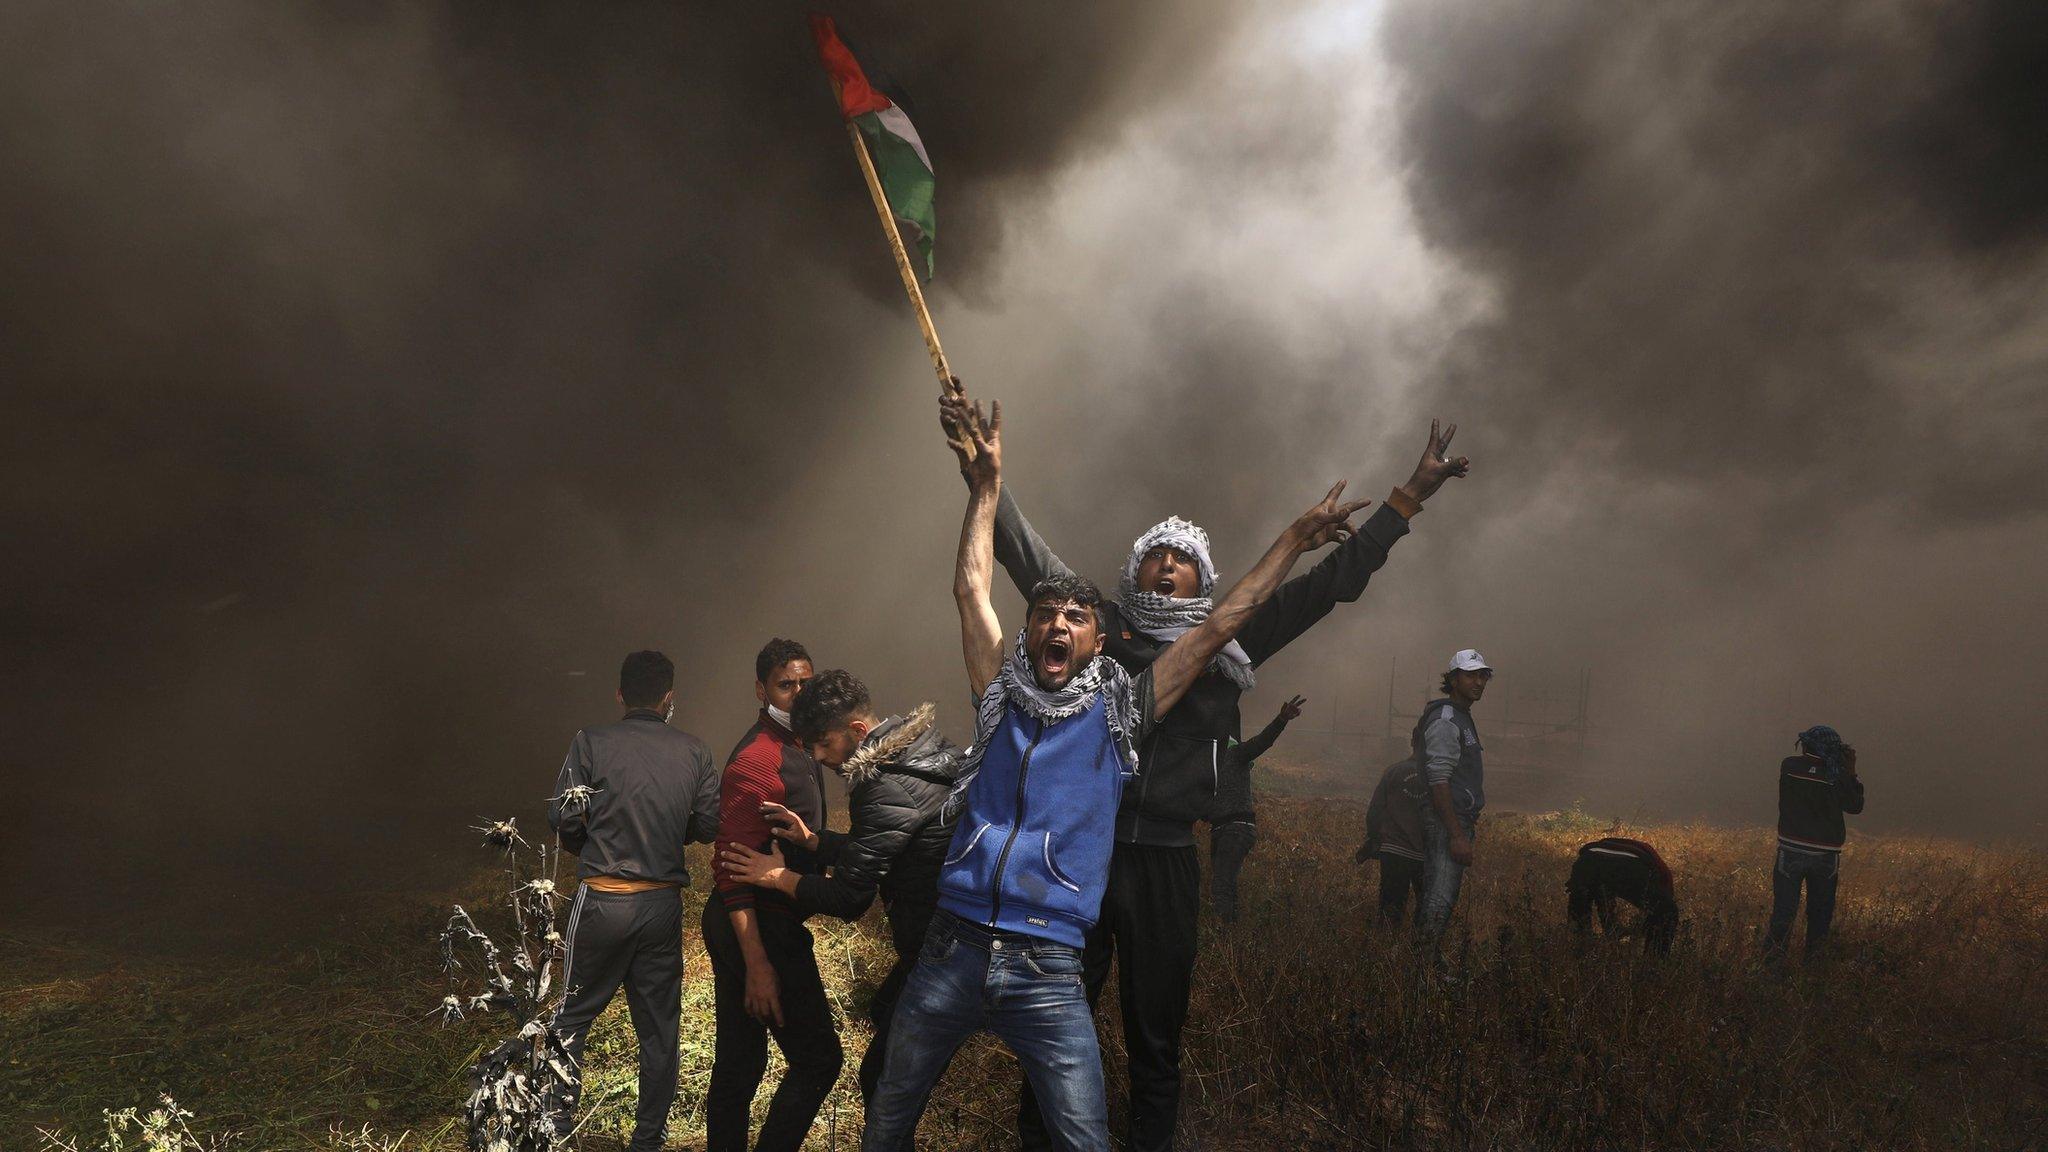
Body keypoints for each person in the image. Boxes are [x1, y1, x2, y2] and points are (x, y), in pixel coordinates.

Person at [947, 375, 1472, 1152]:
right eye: (1154, 556)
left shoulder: (1235, 642)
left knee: (1157, 1038)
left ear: (1205, 581)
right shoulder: (1103, 628)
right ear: (1133, 573)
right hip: (1081, 855)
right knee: (1054, 1032)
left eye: (1182, 560)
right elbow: (1029, 561)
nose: (1166, 566)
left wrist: (1406, 500)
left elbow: (1332, 585)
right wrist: (982, 476)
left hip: (1164, 864)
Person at [861, 388, 1370, 1152]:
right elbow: (979, 581)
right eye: (1046, 615)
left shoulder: (1125, 708)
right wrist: (986, 485)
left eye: (1075, 619)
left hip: (1063, 944)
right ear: (1035, 628)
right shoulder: (1004, 693)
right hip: (957, 943)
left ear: (1099, 642)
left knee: (1113, 1096)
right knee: (889, 1121)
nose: (1058, 624)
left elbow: (1227, 623)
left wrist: (1306, 534)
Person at [718, 668, 959, 1103]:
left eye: (824, 743)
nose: (819, 756)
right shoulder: (920, 752)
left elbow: (850, 898)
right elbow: (892, 845)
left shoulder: (880, 784)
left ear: (857, 729)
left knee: (882, 1084)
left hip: (942, 951)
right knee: (884, 1014)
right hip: (949, 937)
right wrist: (813, 840)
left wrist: (777, 877)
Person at [546, 650, 722, 1152]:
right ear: (669, 698)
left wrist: (588, 840)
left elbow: (563, 817)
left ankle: (557, 1132)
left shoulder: (591, 742)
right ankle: (648, 1141)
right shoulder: (694, 750)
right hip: (661, 905)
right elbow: (709, 825)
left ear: (620, 694)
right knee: (659, 1031)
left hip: (601, 900)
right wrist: (669, 828)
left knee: (571, 1019)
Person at [703, 639, 841, 1152]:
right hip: (754, 921)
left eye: (806, 682)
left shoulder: (801, 744)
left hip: (768, 917)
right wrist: (757, 962)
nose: (799, 693)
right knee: (819, 1060)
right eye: (787, 685)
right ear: (762, 690)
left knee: (741, 1065)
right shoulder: (758, 759)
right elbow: (728, 869)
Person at [1764, 726, 1865, 962]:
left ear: (1807, 745)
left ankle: (1772, 967)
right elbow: (1855, 805)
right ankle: (1813, 966)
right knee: (1820, 917)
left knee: (1783, 914)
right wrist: (1851, 771)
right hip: (1825, 856)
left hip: (1790, 851)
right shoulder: (1838, 776)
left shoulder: (1789, 766)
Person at [1416, 649, 1492, 952]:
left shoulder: (1461, 717)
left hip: (1457, 819)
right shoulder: (1447, 720)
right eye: (1471, 675)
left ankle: (1425, 963)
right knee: (1440, 895)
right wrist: (1457, 834)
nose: (1479, 682)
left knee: (1442, 893)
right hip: (1448, 821)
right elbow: (1439, 779)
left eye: (1483, 675)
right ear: (1453, 679)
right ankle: (1422, 969)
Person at [1206, 695, 1304, 923]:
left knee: (1221, 885)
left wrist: (1281, 720)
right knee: (1225, 884)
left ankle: (1225, 934)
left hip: (1236, 827)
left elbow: (1263, 741)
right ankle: (1231, 932)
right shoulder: (1208, 760)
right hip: (1222, 828)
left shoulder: (1236, 753)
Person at [1567, 837, 1679, 954]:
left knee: (1579, 907)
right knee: (1668, 912)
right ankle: (1654, 963)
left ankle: (1580, 949)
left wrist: (1611, 927)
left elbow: (1603, 894)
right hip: (1630, 864)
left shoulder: (1635, 849)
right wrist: (1640, 931)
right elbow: (1661, 909)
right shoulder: (1664, 878)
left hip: (1587, 859)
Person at [1356, 758, 1429, 926]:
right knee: (1427, 909)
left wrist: (1373, 838)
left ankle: (1386, 946)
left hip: (1394, 851)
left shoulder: (1394, 771)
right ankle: (1417, 948)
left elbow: (1375, 810)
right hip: (1425, 855)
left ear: (1412, 741)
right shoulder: (1438, 775)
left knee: (1390, 909)